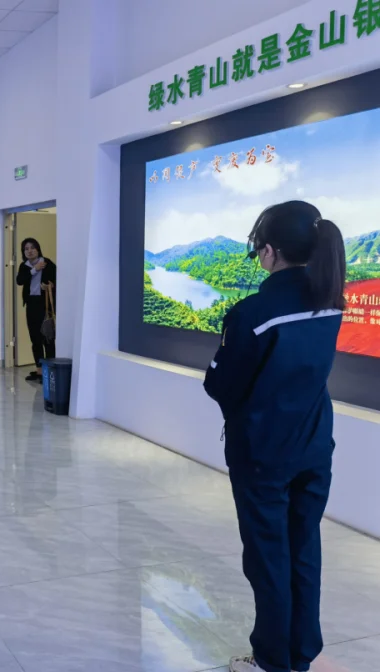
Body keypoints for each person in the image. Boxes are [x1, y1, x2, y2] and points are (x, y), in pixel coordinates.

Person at [204, 201, 346, 672]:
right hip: (314, 447)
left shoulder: (253, 312)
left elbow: (220, 384)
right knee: (303, 550)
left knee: (267, 560)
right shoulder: (330, 301)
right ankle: (300, 654)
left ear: (269, 251)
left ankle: (270, 661)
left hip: (263, 453)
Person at [16, 237, 57, 382]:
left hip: (44, 305)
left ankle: (50, 371)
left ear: (38, 249)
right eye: (26, 249)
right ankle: (39, 370)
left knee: (48, 338)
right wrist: (34, 270)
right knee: (35, 338)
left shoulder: (47, 263)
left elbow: (57, 280)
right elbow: (19, 280)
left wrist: (50, 286)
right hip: (31, 304)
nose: (30, 251)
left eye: (32, 248)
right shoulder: (24, 266)